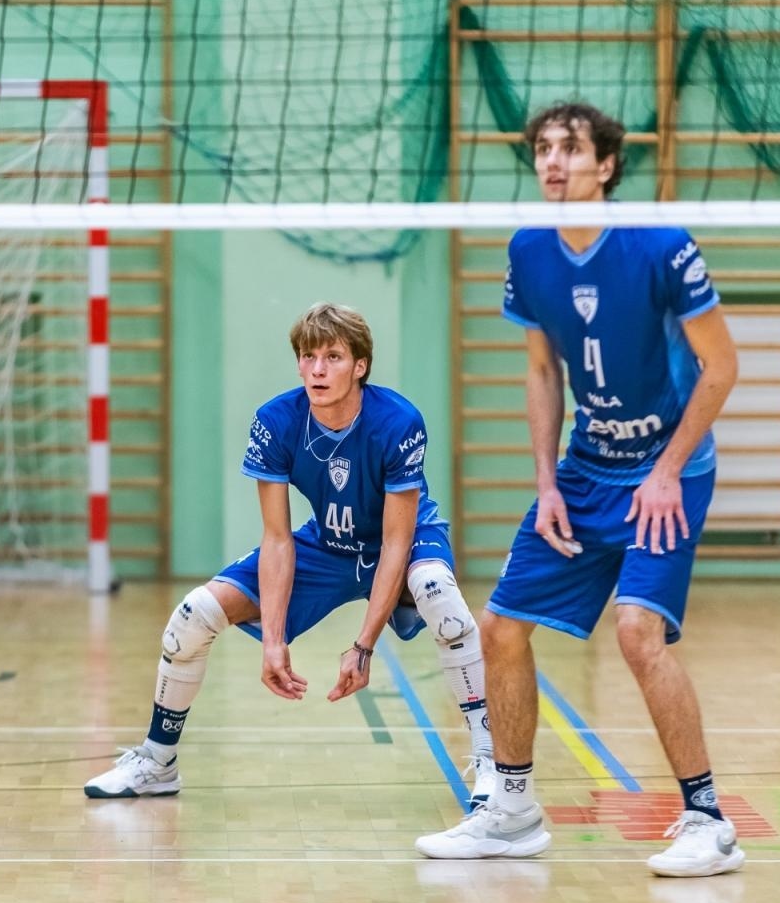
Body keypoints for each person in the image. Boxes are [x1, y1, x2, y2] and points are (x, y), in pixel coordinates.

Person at [414, 102, 744, 878]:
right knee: (499, 628)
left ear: (606, 165)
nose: (552, 160)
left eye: (570, 148)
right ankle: (512, 811)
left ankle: (708, 820)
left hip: (669, 472)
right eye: (541, 148)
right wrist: (545, 482)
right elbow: (540, 369)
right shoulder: (529, 251)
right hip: (585, 470)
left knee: (636, 632)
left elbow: (722, 366)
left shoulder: (660, 244)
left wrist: (666, 471)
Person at [85, 302, 495, 805]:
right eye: (308, 356)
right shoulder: (277, 421)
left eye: (333, 357)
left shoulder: (398, 421)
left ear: (360, 365)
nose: (318, 369)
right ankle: (157, 760)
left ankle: (491, 762)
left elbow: (394, 542)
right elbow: (277, 539)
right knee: (190, 618)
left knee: (442, 600)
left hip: (403, 541)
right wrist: (272, 641)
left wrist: (363, 646)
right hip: (325, 543)